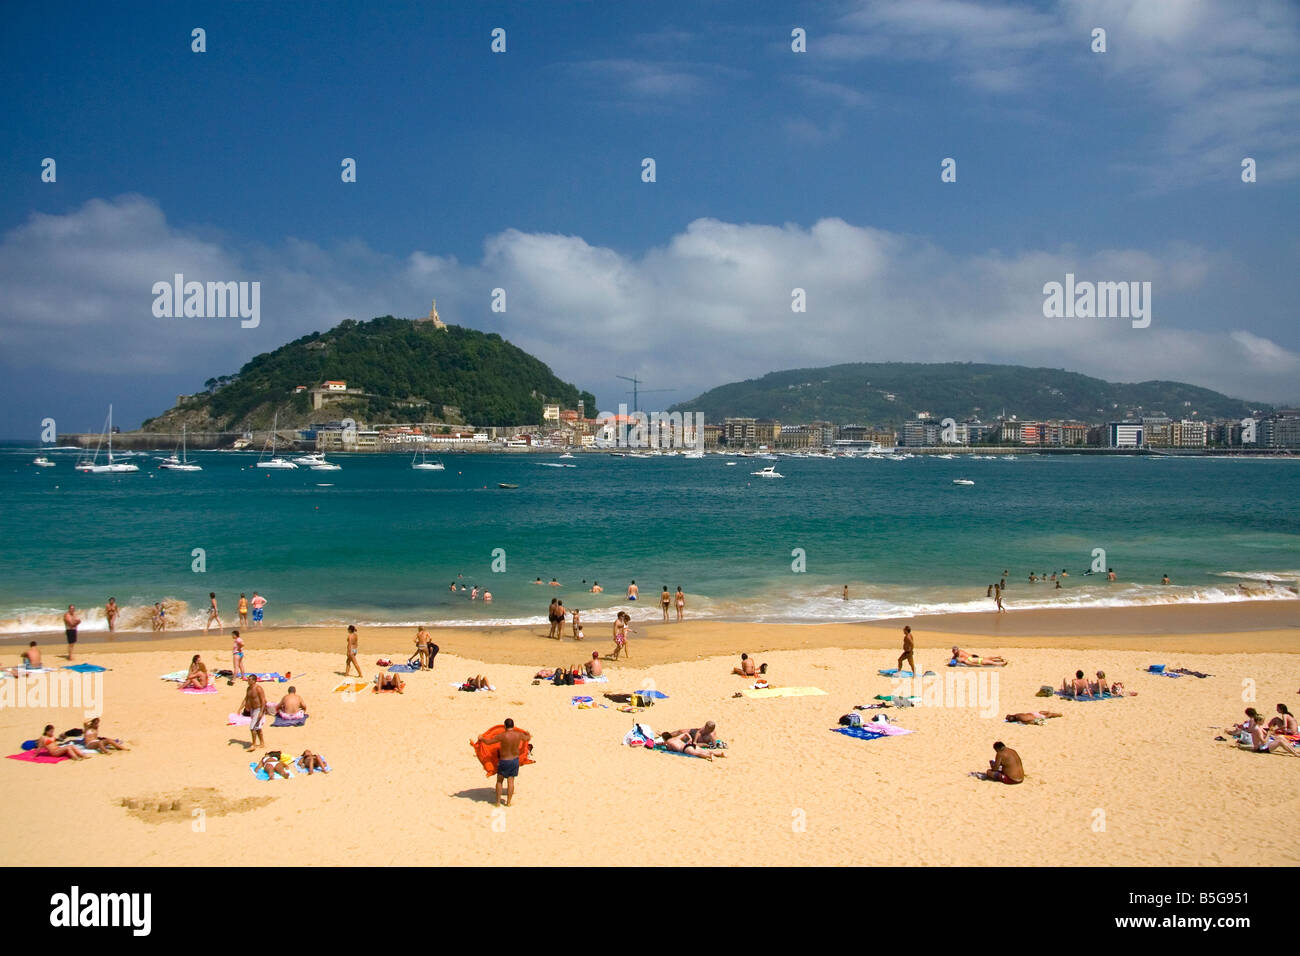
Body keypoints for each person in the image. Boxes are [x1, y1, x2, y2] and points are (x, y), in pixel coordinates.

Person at [476, 719, 531, 807]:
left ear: (505, 726)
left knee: (500, 781)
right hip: (514, 761)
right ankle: (508, 802)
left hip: (504, 761)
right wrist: (528, 734)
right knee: (511, 781)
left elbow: (489, 742)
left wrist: (481, 738)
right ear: (513, 726)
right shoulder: (519, 735)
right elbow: (527, 738)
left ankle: (497, 803)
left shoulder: (502, 736)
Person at [242, 676, 267, 749]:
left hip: (259, 709)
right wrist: (240, 708)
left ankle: (253, 744)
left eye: (249, 680)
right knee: (257, 727)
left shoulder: (258, 689)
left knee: (252, 727)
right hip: (253, 710)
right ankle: (262, 743)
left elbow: (263, 701)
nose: (248, 681)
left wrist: (261, 712)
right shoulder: (248, 689)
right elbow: (246, 699)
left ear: (254, 681)